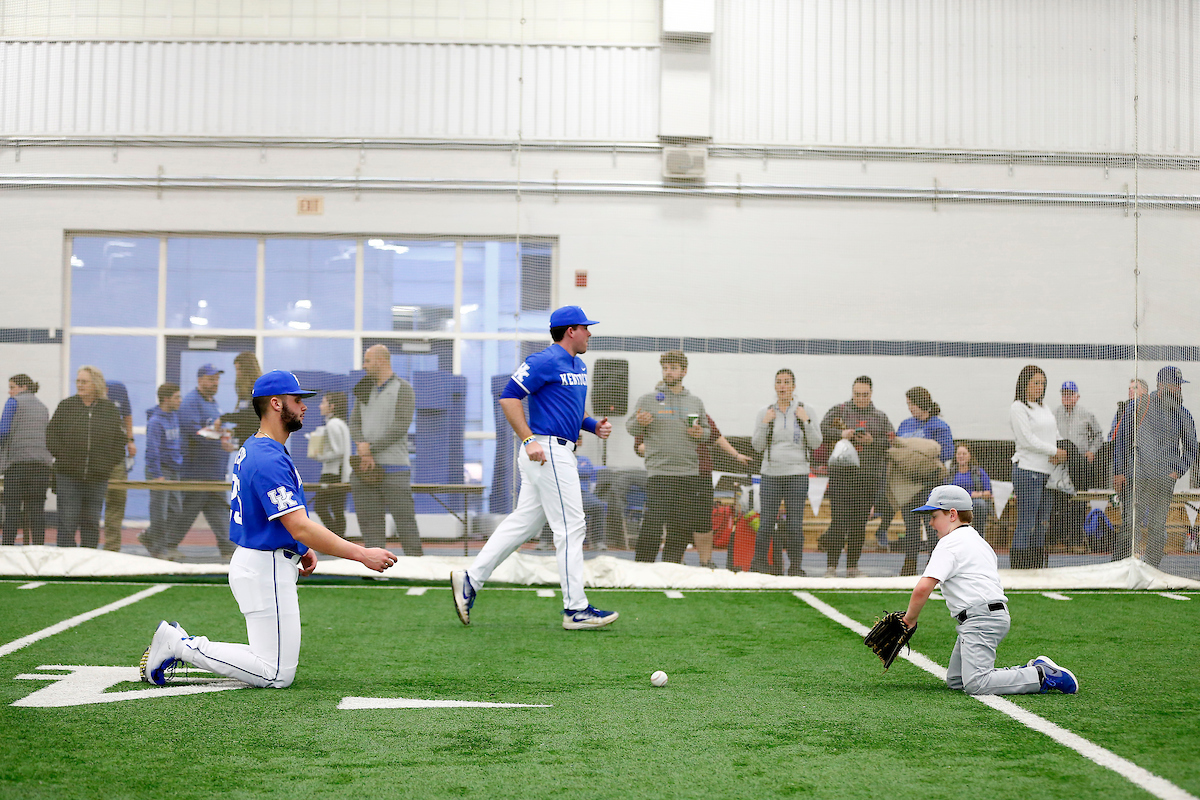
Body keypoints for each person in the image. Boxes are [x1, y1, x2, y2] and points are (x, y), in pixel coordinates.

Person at [139, 370, 396, 688]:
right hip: (264, 567)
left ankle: (179, 644)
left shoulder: (260, 447)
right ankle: (180, 646)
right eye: (297, 399)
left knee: (272, 665)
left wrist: (301, 547)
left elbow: (285, 521)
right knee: (276, 673)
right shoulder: (267, 457)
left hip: (262, 562)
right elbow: (300, 525)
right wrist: (361, 554)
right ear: (276, 403)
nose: (304, 407)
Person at [450, 306, 617, 630]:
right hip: (546, 452)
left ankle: (470, 580)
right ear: (571, 330)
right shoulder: (543, 360)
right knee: (571, 527)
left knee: (523, 524)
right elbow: (509, 397)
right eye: (586, 327)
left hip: (556, 452)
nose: (590, 333)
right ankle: (575, 610)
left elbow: (571, 414)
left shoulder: (578, 365)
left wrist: (593, 425)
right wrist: (528, 440)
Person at [900, 485, 1079, 696]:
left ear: (952, 514)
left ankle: (1042, 675)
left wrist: (909, 619)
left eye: (934, 515)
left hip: (980, 618)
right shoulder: (979, 541)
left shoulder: (949, 543)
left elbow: (923, 588)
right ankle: (1028, 671)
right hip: (988, 615)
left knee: (977, 684)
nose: (930, 522)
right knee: (957, 680)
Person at [626, 350, 712, 565]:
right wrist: (641, 423)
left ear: (684, 371)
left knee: (681, 526)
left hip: (688, 473)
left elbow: (708, 432)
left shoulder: (695, 402)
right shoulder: (648, 399)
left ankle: (671, 567)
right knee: (653, 524)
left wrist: (701, 433)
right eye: (665, 368)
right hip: (660, 472)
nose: (668, 372)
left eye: (673, 368)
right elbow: (630, 426)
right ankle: (642, 567)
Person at [1111, 366, 1198, 568]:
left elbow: (1192, 448)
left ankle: (1151, 569)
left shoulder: (1182, 414)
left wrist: (1177, 470)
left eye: (1179, 385)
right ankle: (1118, 568)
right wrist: (1119, 472)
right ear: (1161, 385)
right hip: (1137, 478)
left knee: (1158, 530)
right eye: (1174, 385)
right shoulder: (1138, 406)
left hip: (1163, 481)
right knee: (1130, 527)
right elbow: (1122, 440)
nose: (1178, 389)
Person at [350, 344, 422, 556]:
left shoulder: (404, 388)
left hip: (395, 469)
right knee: (370, 523)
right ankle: (375, 567)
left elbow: (400, 426)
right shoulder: (363, 388)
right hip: (364, 470)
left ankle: (419, 568)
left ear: (382, 361)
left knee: (405, 522)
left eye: (367, 361)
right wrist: (363, 446)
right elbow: (354, 423)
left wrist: (368, 450)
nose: (364, 366)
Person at [818, 376, 894, 578]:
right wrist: (841, 434)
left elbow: (891, 442)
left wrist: (871, 441)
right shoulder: (839, 410)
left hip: (868, 479)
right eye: (857, 394)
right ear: (852, 393)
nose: (861, 398)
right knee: (838, 523)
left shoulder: (880, 416)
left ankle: (852, 567)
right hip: (841, 477)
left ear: (871, 394)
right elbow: (821, 431)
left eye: (865, 395)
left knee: (859, 523)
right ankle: (831, 567)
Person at [750, 368, 822, 576]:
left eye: (787, 382)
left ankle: (795, 567)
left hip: (797, 473)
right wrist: (765, 424)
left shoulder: (805, 410)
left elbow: (816, 443)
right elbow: (757, 446)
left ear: (793, 386)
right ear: (775, 386)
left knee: (794, 525)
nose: (782, 386)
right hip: (771, 473)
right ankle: (760, 564)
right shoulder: (765, 412)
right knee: (765, 524)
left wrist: (806, 421)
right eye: (779, 382)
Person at [46, 366, 126, 548]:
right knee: (67, 522)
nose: (80, 385)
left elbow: (119, 442)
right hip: (68, 476)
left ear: (96, 384)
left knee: (91, 523)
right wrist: (63, 457)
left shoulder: (110, 410)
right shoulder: (66, 406)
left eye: (84, 382)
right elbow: (51, 435)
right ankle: (65, 566)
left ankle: (88, 565)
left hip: (97, 478)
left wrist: (106, 464)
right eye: (78, 381)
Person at [167, 364, 239, 559]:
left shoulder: (214, 403)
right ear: (200, 380)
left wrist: (226, 439)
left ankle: (227, 547)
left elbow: (216, 431)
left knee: (217, 509)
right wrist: (218, 435)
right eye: (210, 379)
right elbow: (194, 431)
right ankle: (165, 543)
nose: (215, 383)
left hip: (214, 469)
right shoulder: (191, 402)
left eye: (216, 379)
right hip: (197, 469)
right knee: (188, 509)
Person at [1008, 365, 1067, 569]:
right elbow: (1026, 440)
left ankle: (1035, 566)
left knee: (1042, 522)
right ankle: (1019, 567)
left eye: (1043, 383)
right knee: (1027, 521)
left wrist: (1064, 449)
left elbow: (1055, 434)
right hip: (1028, 471)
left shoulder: (1044, 407)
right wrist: (1053, 451)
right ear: (1025, 384)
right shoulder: (1018, 408)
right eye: (1035, 383)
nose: (1040, 387)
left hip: (1048, 473)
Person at [893, 387, 954, 575]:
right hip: (907, 484)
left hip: (930, 484)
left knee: (933, 524)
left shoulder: (939, 426)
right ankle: (909, 564)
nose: (910, 408)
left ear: (921, 403)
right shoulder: (905, 425)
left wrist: (921, 457)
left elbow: (947, 452)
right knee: (910, 526)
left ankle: (934, 565)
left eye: (912, 404)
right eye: (908, 404)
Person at [1051, 381, 1104, 552]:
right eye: (1064, 394)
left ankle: (1076, 541)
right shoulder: (1054, 415)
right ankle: (1058, 540)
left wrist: (1092, 451)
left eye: (1070, 394)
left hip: (1079, 465)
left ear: (1077, 396)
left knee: (1078, 502)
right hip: (1059, 467)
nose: (1066, 397)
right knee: (1059, 502)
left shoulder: (1087, 414)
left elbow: (1098, 435)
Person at [0, 374, 53, 546]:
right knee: (37, 511)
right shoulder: (43, 407)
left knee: (12, 511)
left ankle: (7, 549)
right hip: (41, 467)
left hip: (17, 464)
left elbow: (3, 432)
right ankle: (38, 549)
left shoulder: (13, 402)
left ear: (23, 387)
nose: (9, 392)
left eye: (12, 387)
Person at [141, 383, 183, 559]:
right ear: (166, 399)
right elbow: (152, 451)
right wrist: (158, 474)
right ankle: (158, 549)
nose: (180, 401)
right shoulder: (155, 422)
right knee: (159, 512)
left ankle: (147, 536)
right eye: (176, 397)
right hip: (160, 471)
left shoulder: (173, 416)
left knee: (176, 509)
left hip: (173, 470)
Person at [310, 391, 351, 537]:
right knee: (337, 509)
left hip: (333, 473)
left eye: (323, 402)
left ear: (332, 406)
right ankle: (339, 540)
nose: (320, 406)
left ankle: (335, 539)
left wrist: (319, 456)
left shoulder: (333, 424)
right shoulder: (340, 424)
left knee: (320, 506)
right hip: (340, 473)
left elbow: (337, 451)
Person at [101, 379, 136, 552]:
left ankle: (112, 548)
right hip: (92, 459)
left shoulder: (118, 388)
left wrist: (130, 441)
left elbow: (127, 415)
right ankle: (86, 547)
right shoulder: (85, 396)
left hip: (116, 457)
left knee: (116, 499)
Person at [949, 444, 993, 527]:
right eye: (959, 454)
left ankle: (978, 535)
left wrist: (976, 495)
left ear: (970, 455)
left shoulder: (978, 472)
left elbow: (988, 493)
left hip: (973, 503)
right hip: (955, 502)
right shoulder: (951, 473)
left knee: (980, 504)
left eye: (964, 454)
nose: (961, 456)